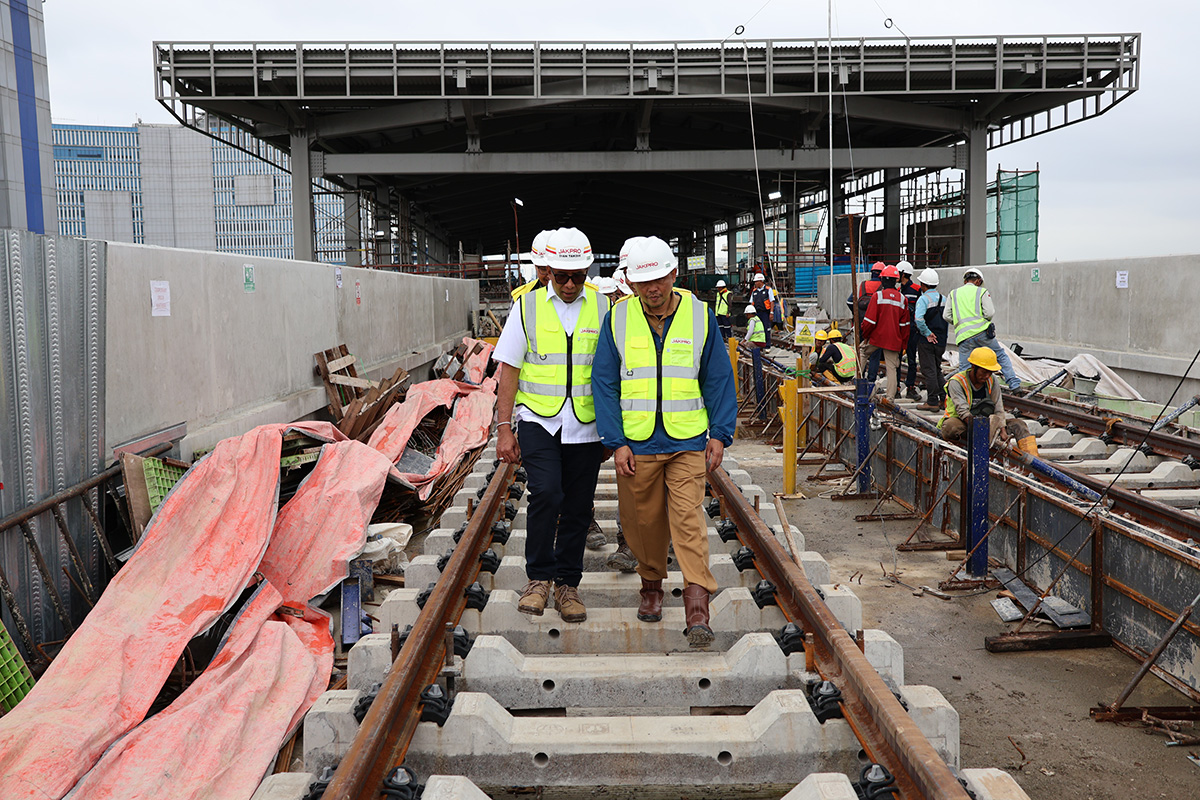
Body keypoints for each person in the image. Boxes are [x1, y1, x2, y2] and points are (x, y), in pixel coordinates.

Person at [592, 236, 737, 648]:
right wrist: (615, 440)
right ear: (632, 283)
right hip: (637, 444)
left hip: (687, 440)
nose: (652, 287)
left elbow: (717, 378)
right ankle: (651, 584)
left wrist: (720, 434)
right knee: (643, 525)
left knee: (688, 521)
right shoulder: (617, 319)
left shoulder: (699, 315)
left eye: (658, 278)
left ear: (674, 274)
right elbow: (603, 382)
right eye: (643, 281)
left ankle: (697, 609)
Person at [493, 226, 609, 623]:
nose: (571, 284)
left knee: (578, 506)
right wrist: (504, 427)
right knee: (546, 493)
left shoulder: (602, 306)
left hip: (587, 424)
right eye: (562, 277)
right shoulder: (526, 307)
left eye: (579, 276)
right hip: (539, 419)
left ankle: (567, 585)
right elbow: (508, 367)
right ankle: (539, 579)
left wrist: (616, 428)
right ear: (548, 272)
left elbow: (614, 371)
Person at [939, 347, 1038, 455]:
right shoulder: (957, 382)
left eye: (990, 372)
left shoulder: (992, 380)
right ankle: (967, 447)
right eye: (984, 372)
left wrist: (1002, 430)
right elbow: (963, 411)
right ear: (973, 367)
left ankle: (1034, 460)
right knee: (950, 427)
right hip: (965, 423)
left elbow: (998, 407)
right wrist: (981, 433)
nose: (987, 376)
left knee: (1019, 425)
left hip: (988, 424)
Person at [944, 268, 1020, 390]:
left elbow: (946, 316)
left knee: (965, 368)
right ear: (978, 281)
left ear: (965, 281)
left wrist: (959, 323)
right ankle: (1014, 384)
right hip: (982, 333)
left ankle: (966, 393)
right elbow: (989, 313)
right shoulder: (981, 292)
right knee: (1000, 355)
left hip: (964, 336)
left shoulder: (953, 293)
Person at [860, 264, 911, 400]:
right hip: (893, 340)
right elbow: (905, 325)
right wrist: (904, 344)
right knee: (892, 368)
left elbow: (869, 321)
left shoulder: (877, 296)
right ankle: (890, 398)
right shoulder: (902, 299)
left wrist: (865, 336)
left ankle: (856, 382)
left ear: (882, 280)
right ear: (896, 280)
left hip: (877, 338)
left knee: (862, 353)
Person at [913, 268, 949, 411]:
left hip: (927, 341)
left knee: (929, 371)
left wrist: (927, 333)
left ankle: (932, 401)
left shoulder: (923, 299)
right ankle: (944, 398)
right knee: (937, 369)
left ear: (923, 284)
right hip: (941, 341)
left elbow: (919, 319)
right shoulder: (944, 299)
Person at [897, 260, 923, 401]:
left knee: (912, 360)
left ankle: (910, 388)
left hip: (912, 330)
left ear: (903, 274)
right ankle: (896, 387)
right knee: (896, 359)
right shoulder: (897, 290)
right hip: (899, 330)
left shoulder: (916, 289)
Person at [510, 229, 553, 300]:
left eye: (554, 269)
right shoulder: (521, 297)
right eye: (544, 269)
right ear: (536, 266)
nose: (549, 275)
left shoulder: (576, 294)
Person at [749, 273, 773, 347]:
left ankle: (767, 345)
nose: (755, 283)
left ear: (761, 281)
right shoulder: (754, 291)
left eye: (756, 281)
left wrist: (771, 312)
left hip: (765, 313)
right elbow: (751, 302)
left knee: (766, 328)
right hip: (756, 313)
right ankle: (759, 344)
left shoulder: (768, 290)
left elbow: (772, 301)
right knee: (757, 329)